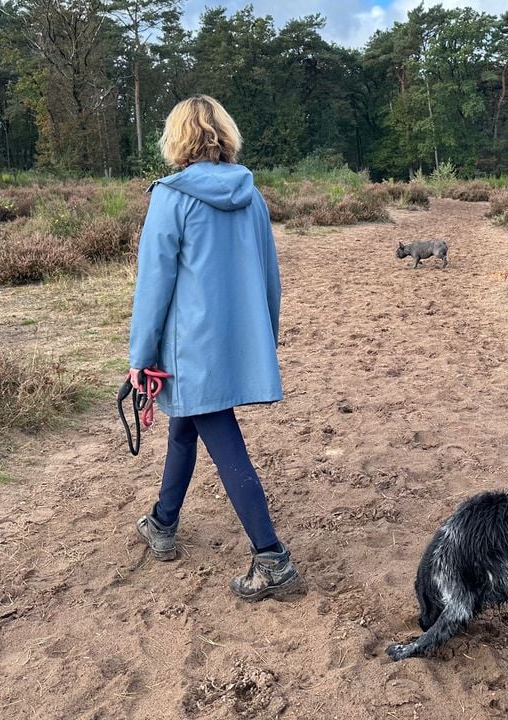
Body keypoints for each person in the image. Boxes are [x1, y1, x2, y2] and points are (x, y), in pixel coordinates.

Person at [127, 95, 302, 602]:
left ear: (176, 138)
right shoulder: (253, 196)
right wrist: (262, 341)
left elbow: (153, 284)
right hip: (232, 344)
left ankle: (272, 559)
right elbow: (270, 278)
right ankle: (163, 522)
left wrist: (141, 357)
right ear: (225, 134)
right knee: (184, 426)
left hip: (190, 352)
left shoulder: (171, 197)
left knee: (222, 439)